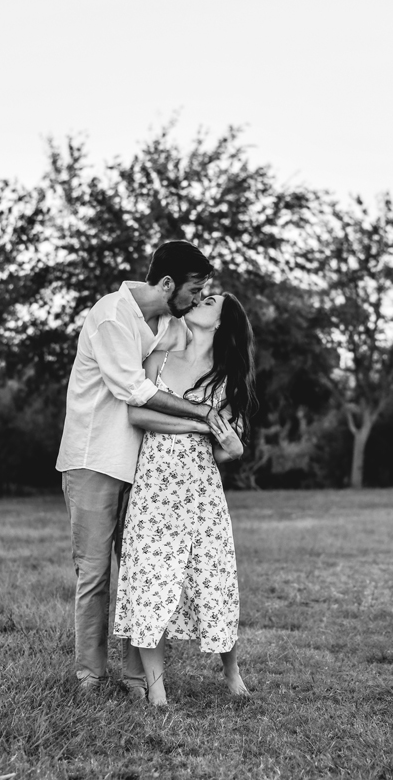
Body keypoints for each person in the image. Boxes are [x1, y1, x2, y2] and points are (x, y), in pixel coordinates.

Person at [55, 240, 226, 697]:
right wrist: (200, 414)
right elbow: (137, 390)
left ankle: (137, 679)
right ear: (167, 283)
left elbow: (201, 347)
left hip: (143, 466)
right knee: (94, 572)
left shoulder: (170, 320)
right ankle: (90, 676)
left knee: (140, 569)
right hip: (94, 458)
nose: (196, 298)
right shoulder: (112, 316)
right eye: (193, 289)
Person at [113, 292, 257, 706]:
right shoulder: (161, 353)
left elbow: (230, 447)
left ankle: (231, 672)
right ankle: (157, 694)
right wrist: (196, 424)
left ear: (221, 322)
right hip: (154, 488)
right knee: (150, 583)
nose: (199, 300)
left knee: (214, 579)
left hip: (200, 490)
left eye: (210, 301)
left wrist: (232, 445)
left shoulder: (227, 377)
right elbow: (136, 414)